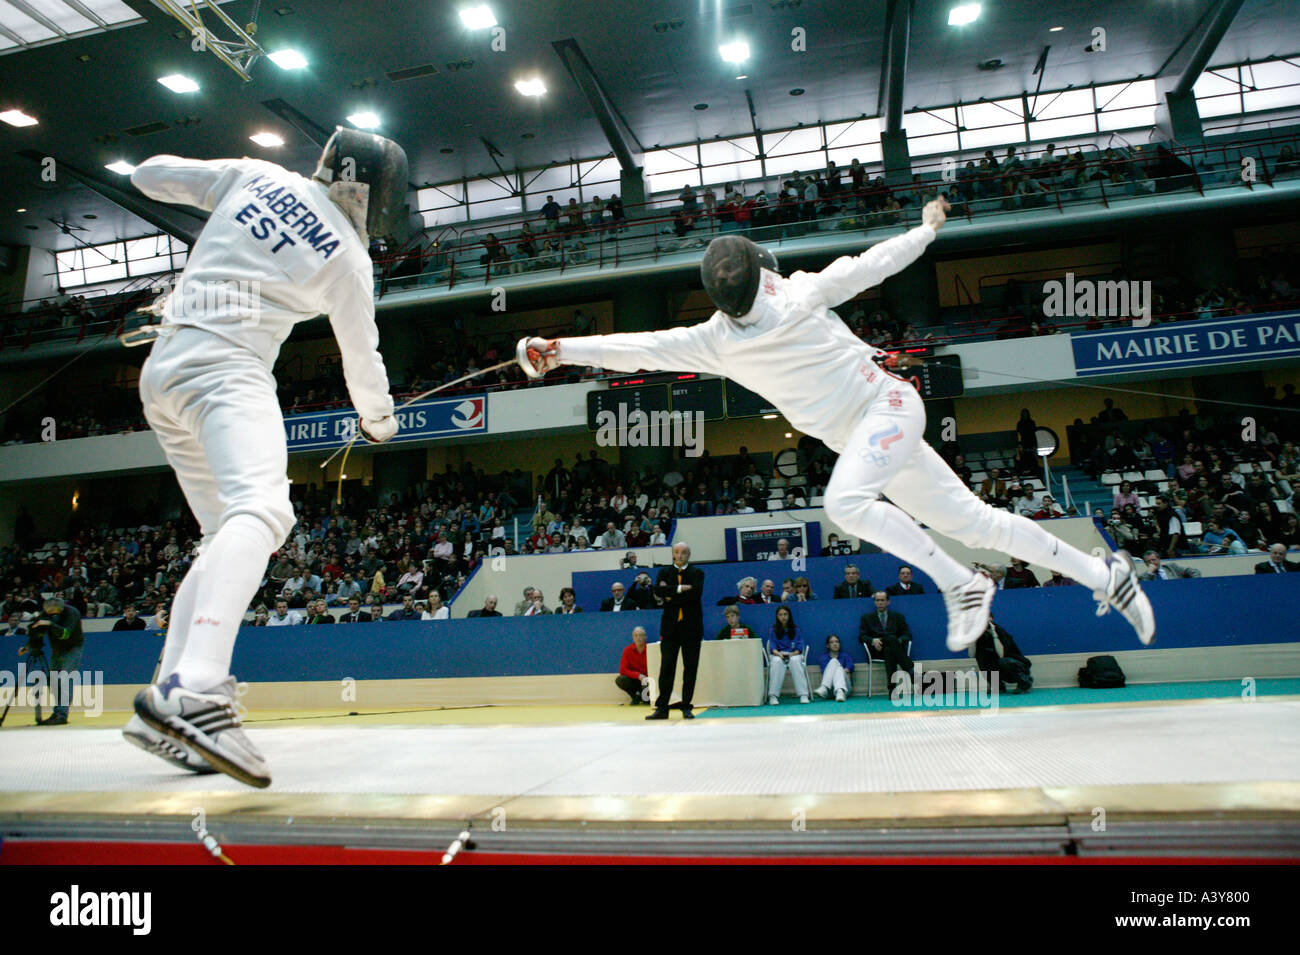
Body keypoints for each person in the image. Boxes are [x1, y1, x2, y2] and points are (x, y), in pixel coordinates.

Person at [516, 198, 1152, 652]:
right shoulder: (782, 301)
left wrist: (562, 347)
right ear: (760, 275)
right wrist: (925, 230)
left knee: (845, 501)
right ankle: (1105, 574)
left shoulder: (724, 332)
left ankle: (961, 583)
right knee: (974, 521)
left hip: (890, 408)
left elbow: (640, 347)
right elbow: (869, 265)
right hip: (868, 438)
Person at [125, 127, 408, 788]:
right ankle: (196, 688)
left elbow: (149, 174)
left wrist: (232, 211)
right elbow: (361, 358)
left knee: (225, 532)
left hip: (164, 369)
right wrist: (379, 422)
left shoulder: (257, 176)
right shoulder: (346, 257)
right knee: (263, 511)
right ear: (367, 189)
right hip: (227, 372)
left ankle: (162, 697)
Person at [647, 542, 704, 720]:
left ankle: (686, 706)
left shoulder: (697, 573)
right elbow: (658, 590)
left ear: (689, 555)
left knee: (690, 668)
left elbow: (695, 594)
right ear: (673, 554)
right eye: (677, 552)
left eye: (684, 553)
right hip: (670, 628)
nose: (680, 556)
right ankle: (662, 708)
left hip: (691, 628)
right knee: (667, 668)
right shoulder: (664, 572)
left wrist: (670, 594)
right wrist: (679, 589)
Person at [21, 597, 83, 725]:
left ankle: (61, 714)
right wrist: (28, 646)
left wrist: (50, 624)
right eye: (49, 613)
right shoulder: (46, 613)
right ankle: (57, 712)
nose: (52, 615)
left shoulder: (72, 613)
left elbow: (65, 634)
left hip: (72, 649)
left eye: (55, 613)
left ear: (61, 608)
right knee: (54, 681)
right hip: (57, 650)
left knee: (65, 680)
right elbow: (38, 630)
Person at [858, 591, 915, 688]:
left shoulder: (898, 617)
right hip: (877, 650)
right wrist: (873, 640)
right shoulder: (866, 618)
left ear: (888, 602)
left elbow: (907, 635)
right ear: (875, 602)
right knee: (892, 639)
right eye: (877, 600)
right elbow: (862, 636)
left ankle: (892, 689)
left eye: (882, 600)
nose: (880, 603)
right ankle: (909, 669)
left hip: (894, 650)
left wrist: (898, 642)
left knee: (889, 649)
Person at [973, 616, 1033, 694]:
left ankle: (1025, 682)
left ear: (991, 619)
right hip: (1001, 670)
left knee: (1003, 661)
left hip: (1017, 666)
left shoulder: (999, 631)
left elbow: (1001, 655)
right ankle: (997, 686)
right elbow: (972, 654)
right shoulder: (980, 634)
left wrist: (995, 636)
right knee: (981, 657)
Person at [766, 605, 810, 704]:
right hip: (778, 655)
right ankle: (773, 696)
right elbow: (773, 648)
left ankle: (803, 695)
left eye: (785, 614)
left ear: (789, 616)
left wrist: (791, 655)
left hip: (794, 654)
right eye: (780, 615)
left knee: (795, 661)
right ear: (777, 616)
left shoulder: (796, 630)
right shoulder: (773, 630)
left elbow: (799, 649)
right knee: (777, 662)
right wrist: (780, 655)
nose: (783, 617)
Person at [615, 626, 650, 705]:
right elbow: (622, 670)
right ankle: (635, 696)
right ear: (633, 637)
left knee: (646, 702)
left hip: (647, 681)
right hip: (634, 680)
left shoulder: (650, 649)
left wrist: (645, 677)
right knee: (620, 679)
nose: (638, 638)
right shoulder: (628, 650)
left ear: (645, 637)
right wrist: (638, 675)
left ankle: (644, 698)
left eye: (641, 635)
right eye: (636, 635)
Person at [814, 633, 854, 702]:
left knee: (837, 666)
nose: (835, 644)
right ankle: (829, 689)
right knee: (834, 662)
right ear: (827, 645)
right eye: (832, 642)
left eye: (837, 642)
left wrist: (840, 670)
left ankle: (828, 688)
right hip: (830, 690)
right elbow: (826, 673)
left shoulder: (845, 656)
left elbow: (850, 667)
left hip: (845, 689)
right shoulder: (823, 658)